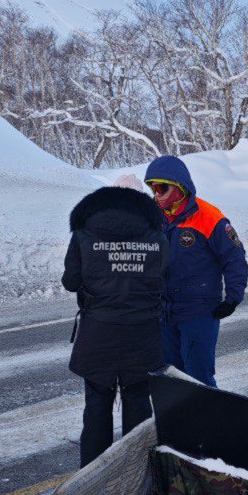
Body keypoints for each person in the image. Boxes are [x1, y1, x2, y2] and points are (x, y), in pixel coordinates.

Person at [61, 182, 166, 467]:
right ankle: (138, 476)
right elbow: (164, 278)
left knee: (96, 407)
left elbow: (70, 281)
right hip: (142, 334)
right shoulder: (157, 236)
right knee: (138, 406)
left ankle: (92, 478)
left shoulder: (83, 234)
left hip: (98, 334)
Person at [143, 155, 248, 388]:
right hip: (164, 311)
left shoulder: (209, 217)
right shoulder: (152, 217)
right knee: (171, 377)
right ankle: (181, 424)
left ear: (180, 187)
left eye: (162, 187)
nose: (156, 194)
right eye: (152, 188)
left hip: (198, 311)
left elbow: (235, 258)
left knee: (198, 378)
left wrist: (232, 298)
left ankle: (209, 424)